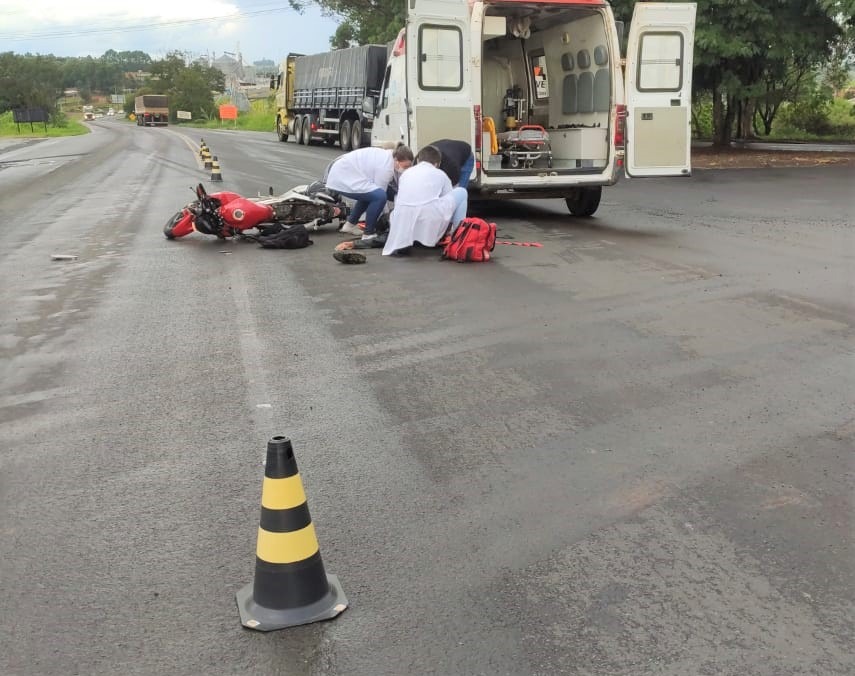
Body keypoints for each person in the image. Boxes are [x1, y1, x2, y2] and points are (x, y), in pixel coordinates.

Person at [382, 144, 468, 257]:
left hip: (401, 221)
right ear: (438, 163)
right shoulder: (441, 174)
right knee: (461, 192)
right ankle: (459, 236)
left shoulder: (406, 173)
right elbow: (449, 200)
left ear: (418, 160)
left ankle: (413, 237)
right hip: (428, 217)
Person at [324, 144, 414, 242]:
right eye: (405, 166)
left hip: (346, 172)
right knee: (378, 197)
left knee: (370, 194)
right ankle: (368, 233)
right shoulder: (386, 168)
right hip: (344, 176)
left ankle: (349, 225)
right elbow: (382, 198)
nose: (406, 169)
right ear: (397, 161)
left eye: (409, 166)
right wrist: (389, 219)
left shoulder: (389, 157)